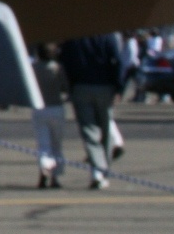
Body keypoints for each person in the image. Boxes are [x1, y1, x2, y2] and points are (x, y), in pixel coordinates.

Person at [59, 32, 126, 189]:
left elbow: (65, 62)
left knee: (89, 132)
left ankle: (97, 169)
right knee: (106, 128)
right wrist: (119, 87)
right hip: (105, 86)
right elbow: (118, 61)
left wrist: (69, 86)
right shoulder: (108, 36)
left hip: (80, 86)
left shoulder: (73, 38)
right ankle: (103, 169)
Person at [30, 46, 70, 189]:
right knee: (56, 145)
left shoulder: (33, 68)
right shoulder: (57, 68)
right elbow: (65, 87)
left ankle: (44, 169)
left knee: (43, 144)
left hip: (40, 108)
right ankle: (55, 176)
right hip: (56, 107)